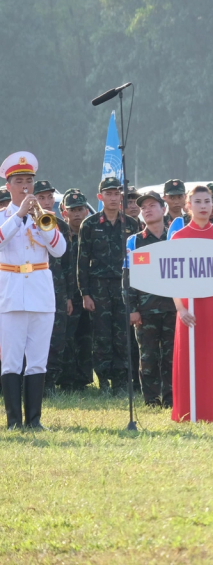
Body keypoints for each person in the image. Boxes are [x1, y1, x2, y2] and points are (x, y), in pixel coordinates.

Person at [0, 152, 67, 429]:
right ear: (8, 186)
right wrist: (19, 216)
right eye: (19, 181)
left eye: (29, 180)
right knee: (12, 360)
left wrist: (42, 222)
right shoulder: (5, 216)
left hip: (40, 294)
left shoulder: (46, 217)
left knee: (38, 360)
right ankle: (14, 420)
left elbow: (60, 250)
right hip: (11, 294)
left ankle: (35, 420)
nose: (26, 186)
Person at [170, 185, 213, 423]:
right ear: (188, 206)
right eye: (197, 201)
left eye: (207, 201)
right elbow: (172, 277)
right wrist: (180, 308)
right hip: (189, 307)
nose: (203, 206)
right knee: (190, 357)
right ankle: (189, 411)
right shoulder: (179, 237)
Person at [77, 175, 140, 393]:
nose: (113, 198)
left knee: (123, 335)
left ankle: (121, 383)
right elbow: (82, 261)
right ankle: (103, 380)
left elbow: (138, 261)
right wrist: (85, 294)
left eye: (117, 193)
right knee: (101, 336)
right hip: (98, 288)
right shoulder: (90, 224)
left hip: (124, 288)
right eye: (109, 193)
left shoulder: (132, 224)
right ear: (100, 196)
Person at [125, 191, 175, 406]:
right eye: (144, 207)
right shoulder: (134, 241)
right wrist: (132, 308)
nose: (147, 210)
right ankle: (151, 400)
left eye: (152, 205)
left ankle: (171, 398)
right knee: (148, 357)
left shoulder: (175, 238)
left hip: (173, 307)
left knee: (171, 356)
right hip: (145, 310)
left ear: (163, 209)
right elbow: (127, 278)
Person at [32, 179, 72, 394]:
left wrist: (68, 296)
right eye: (42, 197)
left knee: (56, 337)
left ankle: (50, 383)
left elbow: (67, 265)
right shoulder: (24, 222)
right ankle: (31, 383)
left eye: (49, 197)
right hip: (33, 288)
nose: (47, 201)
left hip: (57, 291)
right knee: (32, 337)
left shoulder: (61, 226)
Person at [58, 189, 94, 391]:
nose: (77, 214)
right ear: (64, 212)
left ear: (86, 210)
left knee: (87, 336)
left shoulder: (91, 232)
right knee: (68, 337)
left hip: (89, 293)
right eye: (72, 210)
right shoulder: (60, 233)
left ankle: (84, 379)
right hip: (69, 294)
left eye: (80, 209)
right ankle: (67, 380)